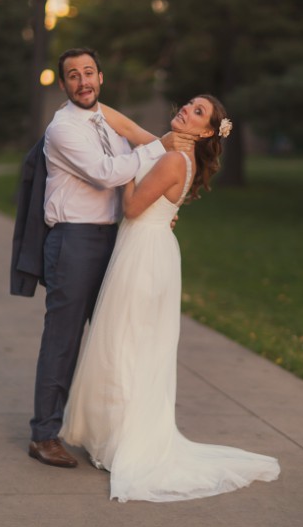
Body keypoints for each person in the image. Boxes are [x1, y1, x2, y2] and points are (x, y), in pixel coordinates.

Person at [61, 94, 281, 502]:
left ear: (207, 131)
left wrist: (126, 166)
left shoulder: (173, 159)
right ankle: (114, 433)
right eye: (189, 104)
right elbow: (124, 125)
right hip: (153, 249)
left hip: (143, 255)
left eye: (199, 112)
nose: (187, 110)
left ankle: (121, 441)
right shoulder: (173, 149)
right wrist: (84, 101)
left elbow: (131, 208)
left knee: (125, 344)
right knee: (133, 345)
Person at [24, 49, 192, 469]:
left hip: (115, 239)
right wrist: (161, 149)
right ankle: (44, 434)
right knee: (63, 339)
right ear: (63, 85)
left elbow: (140, 144)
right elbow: (108, 172)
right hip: (74, 241)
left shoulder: (104, 117)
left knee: (113, 338)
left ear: (101, 77)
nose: (82, 82)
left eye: (88, 73)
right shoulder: (62, 129)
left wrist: (162, 210)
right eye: (73, 76)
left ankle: (105, 430)